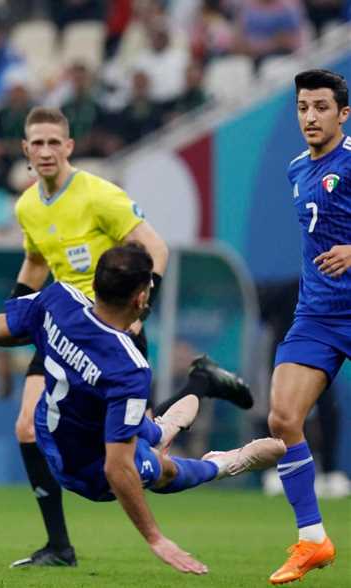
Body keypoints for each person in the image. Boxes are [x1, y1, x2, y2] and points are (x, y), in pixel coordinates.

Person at [7, 107, 253, 568]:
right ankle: (58, 545)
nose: (45, 151)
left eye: (54, 142)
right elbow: (37, 261)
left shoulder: (98, 195)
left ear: (69, 146)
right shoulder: (27, 206)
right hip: (63, 329)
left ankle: (200, 383)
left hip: (110, 334)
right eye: (36, 143)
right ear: (25, 149)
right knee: (27, 426)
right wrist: (13, 312)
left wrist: (141, 312)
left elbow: (154, 247)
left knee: (148, 445)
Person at [0, 243, 286, 575]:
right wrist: (156, 539)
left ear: (94, 283)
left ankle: (204, 390)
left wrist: (38, 332)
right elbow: (116, 469)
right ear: (140, 299)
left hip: (53, 433)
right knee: (162, 465)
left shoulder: (60, 297)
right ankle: (225, 461)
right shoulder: (128, 368)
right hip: (87, 471)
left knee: (157, 438)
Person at [266, 69, 347, 584]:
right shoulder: (297, 167)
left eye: (321, 107)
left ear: (344, 114)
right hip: (318, 315)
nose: (310, 117)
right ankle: (313, 539)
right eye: (302, 108)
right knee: (282, 417)